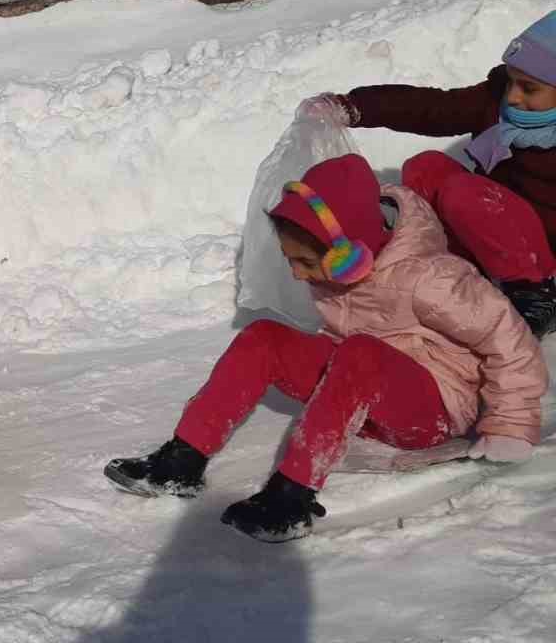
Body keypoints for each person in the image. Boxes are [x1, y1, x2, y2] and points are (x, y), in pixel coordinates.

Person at [105, 153, 546, 543]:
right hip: (365, 390)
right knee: (264, 336)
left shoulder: (432, 278)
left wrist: (511, 423)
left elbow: (510, 338)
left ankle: (291, 497)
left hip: (433, 410)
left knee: (361, 352)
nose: (298, 274)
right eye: (291, 260)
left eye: (305, 262)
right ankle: (182, 459)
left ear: (349, 252)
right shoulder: (337, 272)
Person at [301, 9, 556, 335]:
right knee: (425, 168)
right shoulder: (496, 101)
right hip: (499, 227)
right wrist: (354, 106)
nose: (513, 96)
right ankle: (452, 270)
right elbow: (431, 108)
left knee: (463, 193)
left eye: (529, 88)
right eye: (511, 81)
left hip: (543, 252)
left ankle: (536, 293)